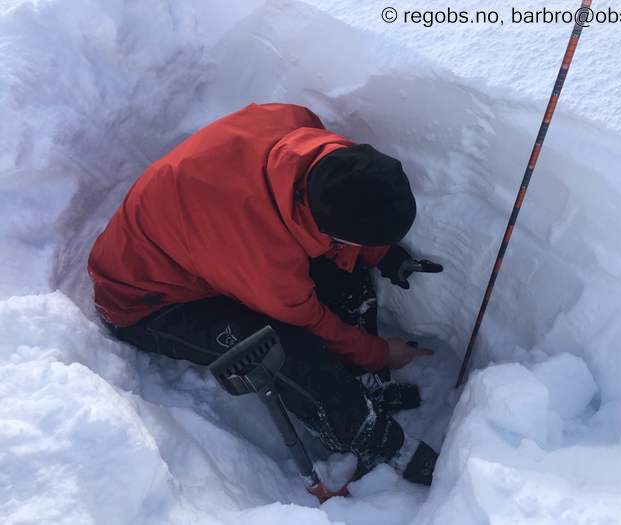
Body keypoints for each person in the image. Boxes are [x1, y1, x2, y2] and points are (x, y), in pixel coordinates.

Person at [88, 102, 443, 485]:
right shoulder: (262, 254)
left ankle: (357, 380)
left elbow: (345, 212)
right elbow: (308, 319)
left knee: (342, 275)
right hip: (148, 298)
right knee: (285, 349)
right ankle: (368, 437)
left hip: (206, 241)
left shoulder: (300, 127)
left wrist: (383, 253)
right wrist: (380, 353)